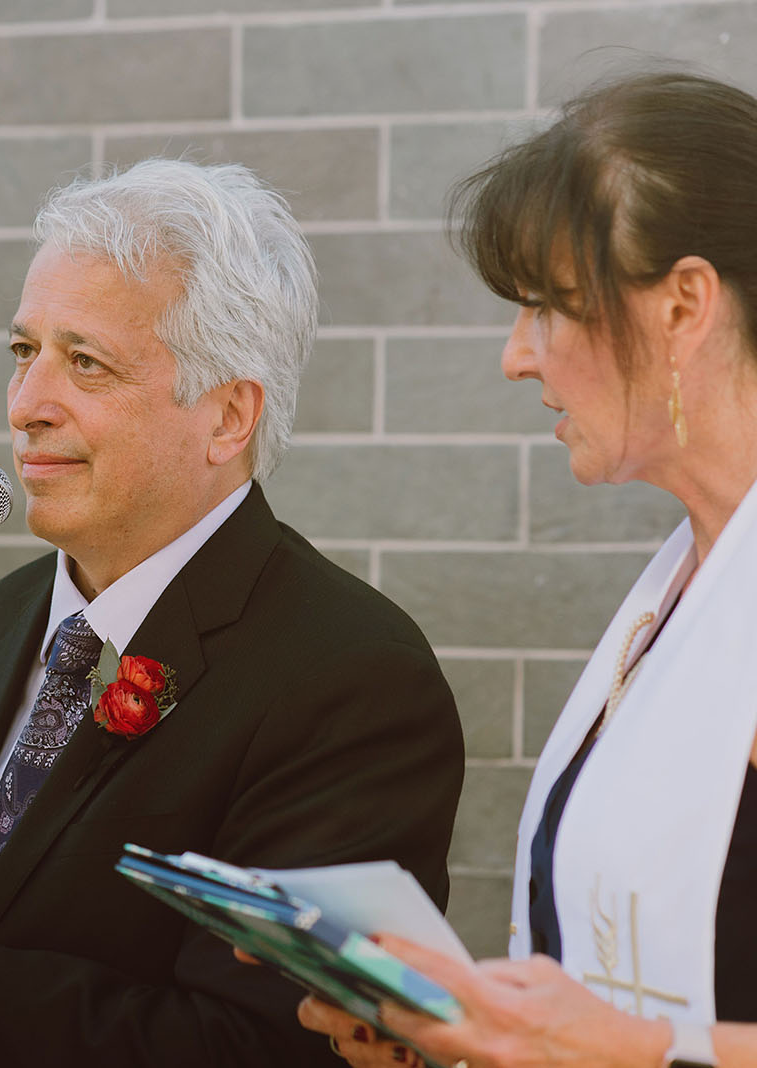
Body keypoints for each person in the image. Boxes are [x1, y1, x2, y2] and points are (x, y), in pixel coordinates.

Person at [0, 158, 467, 1066]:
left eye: (84, 362)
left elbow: (267, 1046)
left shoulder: (350, 678)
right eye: (24, 352)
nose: (26, 405)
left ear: (228, 416)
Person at [299, 70, 757, 1068]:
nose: (516, 357)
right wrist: (456, 1037)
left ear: (684, 304)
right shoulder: (687, 576)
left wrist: (630, 1049)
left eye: (547, 306)